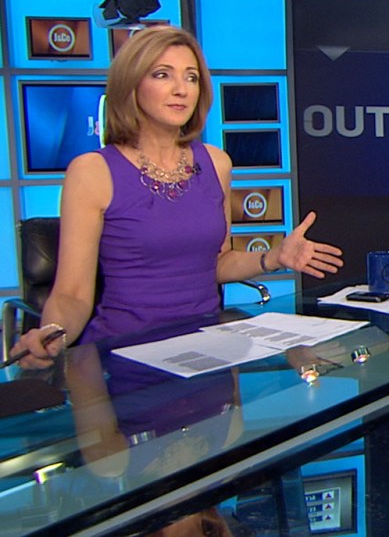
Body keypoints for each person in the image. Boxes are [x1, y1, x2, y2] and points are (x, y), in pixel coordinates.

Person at [13, 25, 344, 370]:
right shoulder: (92, 172)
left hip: (207, 352)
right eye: (162, 75)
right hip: (125, 356)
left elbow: (217, 264)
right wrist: (52, 333)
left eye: (191, 77)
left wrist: (274, 257)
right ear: (131, 84)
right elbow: (72, 294)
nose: (181, 89)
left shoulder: (216, 163)